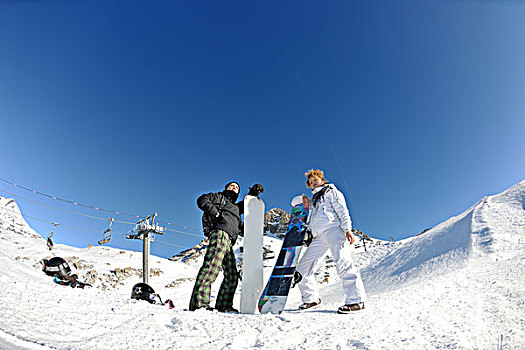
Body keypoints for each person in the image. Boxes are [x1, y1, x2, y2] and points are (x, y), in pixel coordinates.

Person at [295, 169, 367, 314]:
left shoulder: (331, 191)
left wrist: (347, 229)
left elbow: (342, 210)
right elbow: (294, 202)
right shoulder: (313, 199)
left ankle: (356, 300)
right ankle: (311, 299)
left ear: (322, 179)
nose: (313, 182)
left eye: (316, 179)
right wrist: (302, 197)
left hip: (334, 229)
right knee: (302, 268)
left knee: (342, 262)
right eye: (310, 181)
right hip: (319, 236)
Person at [189, 181, 263, 312]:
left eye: (237, 188)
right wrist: (214, 212)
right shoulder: (219, 197)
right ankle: (199, 304)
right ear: (226, 188)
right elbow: (202, 199)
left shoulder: (235, 208)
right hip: (219, 233)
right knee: (212, 267)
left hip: (229, 241)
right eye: (232, 186)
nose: (234, 188)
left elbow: (245, 207)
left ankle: (224, 306)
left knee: (232, 276)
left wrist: (252, 194)